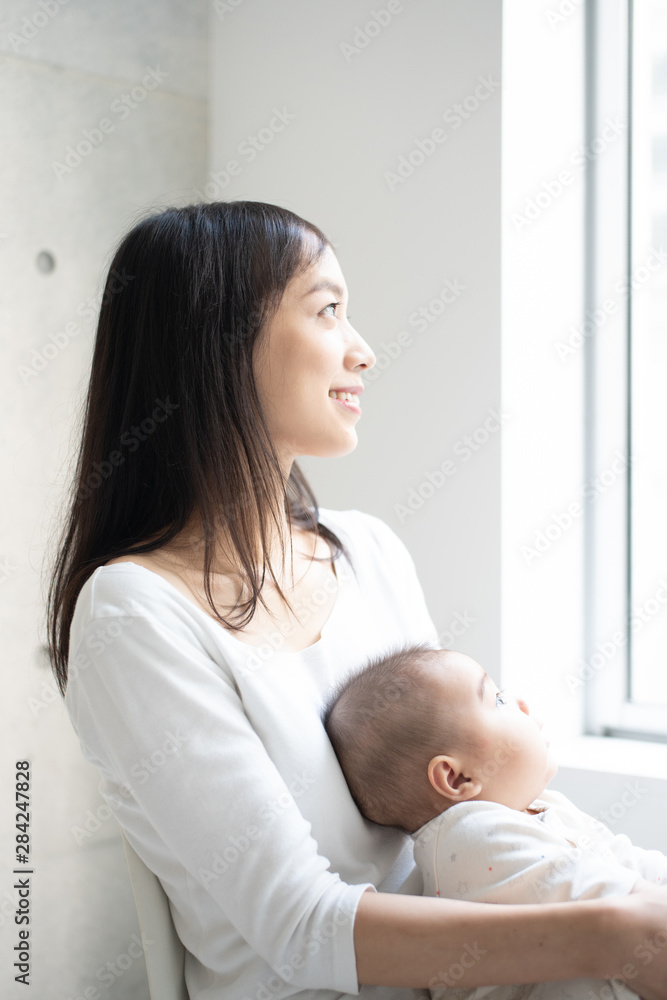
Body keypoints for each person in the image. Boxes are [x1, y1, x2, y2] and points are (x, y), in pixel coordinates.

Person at [46, 200, 667, 1000]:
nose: (363, 351)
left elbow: (457, 812)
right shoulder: (133, 613)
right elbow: (301, 930)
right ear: (218, 341)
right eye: (328, 310)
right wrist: (621, 937)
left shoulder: (366, 551)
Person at [322, 642, 667, 1000]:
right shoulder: (468, 837)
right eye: (497, 700)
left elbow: (628, 861)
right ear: (457, 779)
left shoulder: (541, 806)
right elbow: (609, 898)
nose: (521, 704)